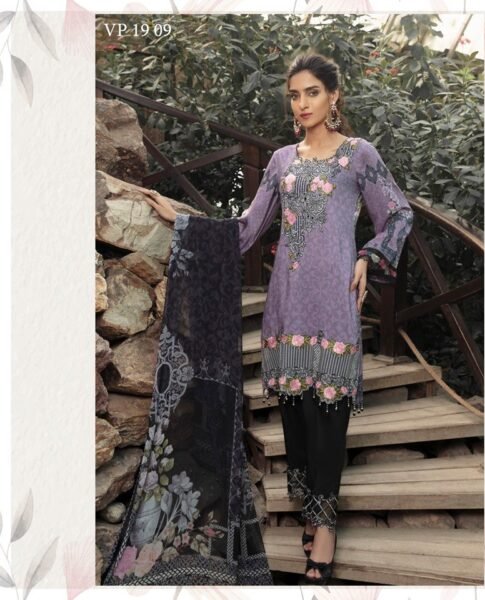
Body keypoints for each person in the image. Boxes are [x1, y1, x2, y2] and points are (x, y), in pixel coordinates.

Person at [142, 52, 414, 585]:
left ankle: (325, 526)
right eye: (294, 94)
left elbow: (399, 212)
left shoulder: (359, 155)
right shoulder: (282, 161)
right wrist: (183, 222)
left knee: (329, 416)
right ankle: (311, 512)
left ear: (334, 95)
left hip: (333, 303)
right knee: (297, 416)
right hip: (287, 304)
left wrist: (369, 255)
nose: (302, 103)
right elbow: (246, 230)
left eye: (312, 92)